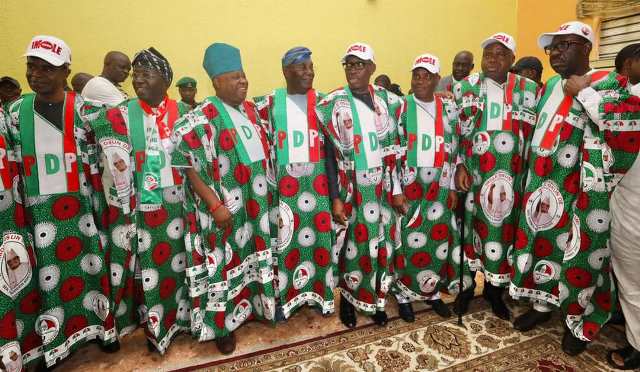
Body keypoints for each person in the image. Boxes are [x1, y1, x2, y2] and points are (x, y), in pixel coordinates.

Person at [509, 21, 640, 357]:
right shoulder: (550, 84)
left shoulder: (609, 84)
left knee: (579, 259)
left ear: (586, 48)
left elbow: (615, 131)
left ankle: (577, 322)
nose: (556, 52)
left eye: (565, 45)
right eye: (553, 46)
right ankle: (540, 308)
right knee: (542, 248)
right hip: (541, 183)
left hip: (579, 191)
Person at [5, 35, 118, 369]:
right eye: (31, 67)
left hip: (84, 209)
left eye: (46, 69)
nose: (36, 74)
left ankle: (102, 330)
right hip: (39, 215)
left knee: (93, 269)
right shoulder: (14, 112)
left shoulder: (85, 109)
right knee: (46, 279)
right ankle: (51, 344)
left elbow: (109, 157)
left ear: (66, 71)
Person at [171, 42, 276, 355]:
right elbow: (185, 161)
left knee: (253, 259)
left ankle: (256, 308)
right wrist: (214, 204)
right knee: (223, 264)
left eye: (243, 76)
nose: (242, 81)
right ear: (215, 82)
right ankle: (221, 326)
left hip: (256, 208)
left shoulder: (253, 111)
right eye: (233, 77)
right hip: (224, 210)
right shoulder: (201, 117)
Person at [91, 47, 190, 354]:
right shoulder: (119, 115)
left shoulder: (185, 113)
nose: (138, 81)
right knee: (145, 269)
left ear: (166, 80)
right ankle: (151, 328)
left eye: (147, 74)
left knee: (179, 265)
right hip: (139, 208)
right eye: (136, 75)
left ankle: (180, 322)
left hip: (179, 205)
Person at [316, 42, 404, 329]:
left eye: (359, 64)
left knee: (382, 246)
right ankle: (350, 302)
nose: (353, 70)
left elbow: (398, 149)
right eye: (349, 64)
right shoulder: (333, 104)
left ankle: (377, 301)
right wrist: (335, 198)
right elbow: (328, 155)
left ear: (372, 68)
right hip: (350, 187)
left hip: (383, 189)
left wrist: (398, 190)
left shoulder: (390, 102)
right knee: (352, 248)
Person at [453, 32, 538, 320]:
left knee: (501, 235)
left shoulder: (529, 89)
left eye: (501, 54)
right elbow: (455, 131)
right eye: (488, 53)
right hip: (475, 176)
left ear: (512, 59)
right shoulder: (465, 88)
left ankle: (493, 291)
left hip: (512, 179)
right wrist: (460, 165)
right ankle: (465, 289)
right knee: (470, 230)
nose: (493, 59)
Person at [254, 47, 336, 320]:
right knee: (286, 246)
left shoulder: (324, 103)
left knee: (319, 243)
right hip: (284, 194)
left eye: (311, 67)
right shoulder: (269, 104)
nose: (309, 72)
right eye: (302, 67)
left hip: (319, 189)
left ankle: (320, 296)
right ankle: (285, 300)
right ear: (286, 71)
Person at [393, 53, 471, 322]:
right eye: (417, 75)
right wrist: (395, 189)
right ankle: (403, 294)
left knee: (437, 238)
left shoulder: (449, 107)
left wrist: (451, 186)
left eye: (427, 76)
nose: (421, 81)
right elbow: (391, 151)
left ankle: (432, 292)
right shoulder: (400, 107)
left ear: (438, 80)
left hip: (440, 183)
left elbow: (456, 146)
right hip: (409, 184)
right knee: (407, 240)